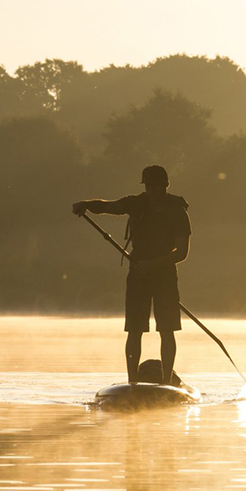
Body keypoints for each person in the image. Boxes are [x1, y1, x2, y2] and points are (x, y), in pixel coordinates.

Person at [72, 165, 191, 385]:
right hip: (138, 274)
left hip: (164, 274)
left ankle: (166, 383)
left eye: (157, 186)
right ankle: (132, 382)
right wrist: (86, 205)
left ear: (166, 185)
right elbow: (109, 206)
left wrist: (153, 265)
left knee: (167, 329)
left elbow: (182, 253)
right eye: (149, 186)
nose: (153, 191)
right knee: (135, 329)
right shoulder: (137, 203)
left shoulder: (177, 212)